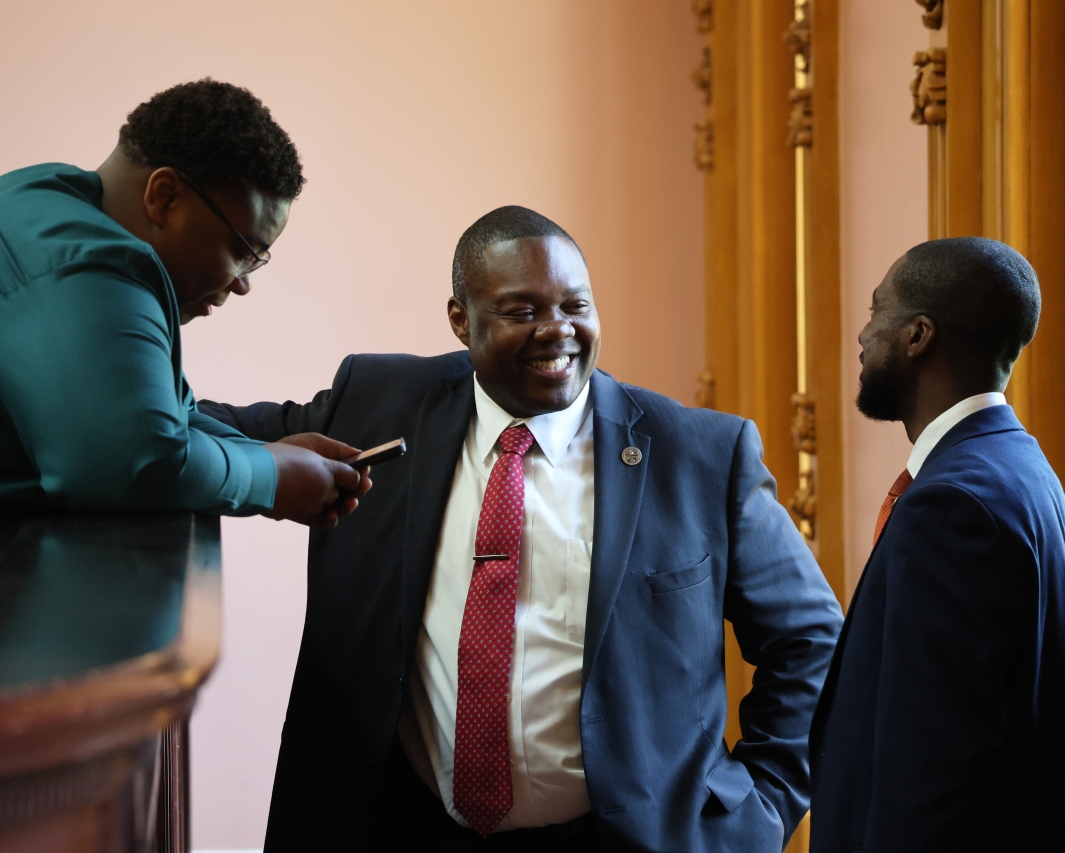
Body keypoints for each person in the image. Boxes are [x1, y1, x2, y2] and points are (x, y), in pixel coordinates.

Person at [201, 206, 844, 851]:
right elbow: (199, 431)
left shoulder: (700, 456)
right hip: (401, 823)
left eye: (576, 306)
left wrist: (757, 812)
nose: (557, 331)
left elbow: (812, 642)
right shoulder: (377, 402)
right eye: (522, 311)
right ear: (460, 319)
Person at [0, 79, 367, 673]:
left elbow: (170, 413)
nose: (242, 281)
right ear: (164, 196)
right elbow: (130, 464)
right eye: (242, 249)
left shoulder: (39, 198)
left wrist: (267, 450)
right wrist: (271, 478)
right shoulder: (88, 260)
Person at [808, 237, 1065, 851]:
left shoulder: (951, 505)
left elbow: (929, 767)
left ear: (918, 335)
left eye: (875, 312)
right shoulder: (1021, 470)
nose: (862, 337)